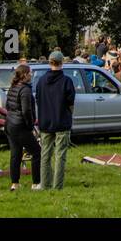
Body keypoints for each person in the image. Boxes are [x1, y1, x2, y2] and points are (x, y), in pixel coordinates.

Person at [35, 50, 75, 190]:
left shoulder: (41, 81)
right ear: (62, 63)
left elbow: (38, 100)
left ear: (49, 62)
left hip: (45, 121)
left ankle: (44, 184)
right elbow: (71, 103)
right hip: (62, 121)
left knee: (45, 155)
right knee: (60, 155)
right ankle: (57, 186)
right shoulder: (67, 81)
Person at [5, 63, 42, 191]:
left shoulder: (12, 87)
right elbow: (26, 110)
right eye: (30, 73)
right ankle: (36, 183)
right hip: (20, 125)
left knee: (16, 154)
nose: (31, 75)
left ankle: (15, 183)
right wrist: (30, 125)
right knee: (37, 152)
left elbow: (7, 106)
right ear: (25, 75)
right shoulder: (25, 90)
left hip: (10, 124)